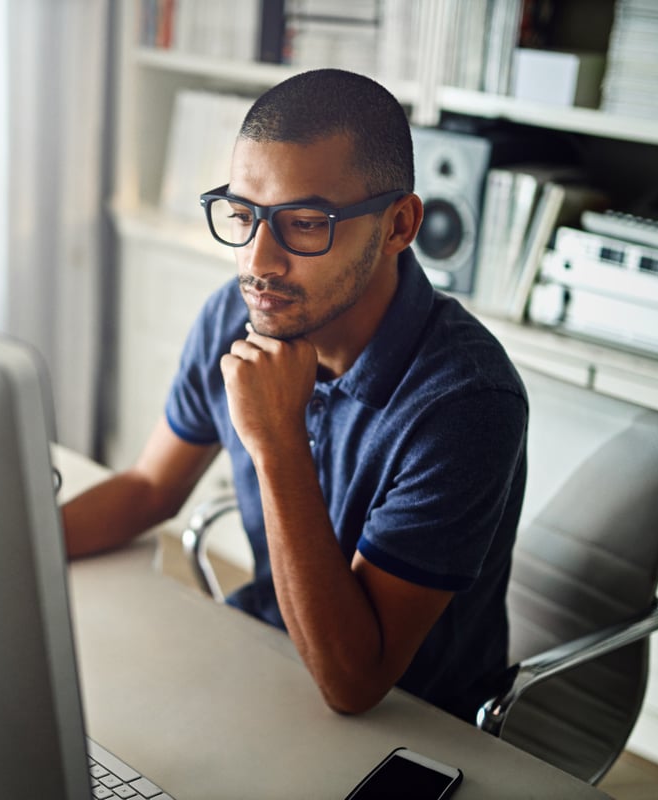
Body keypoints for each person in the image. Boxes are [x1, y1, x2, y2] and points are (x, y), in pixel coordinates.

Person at [62, 68, 528, 723]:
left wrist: (278, 439)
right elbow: (149, 488)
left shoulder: (466, 403)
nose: (258, 261)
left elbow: (354, 682)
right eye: (243, 216)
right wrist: (10, 550)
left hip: (410, 723)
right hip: (262, 658)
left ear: (399, 225)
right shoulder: (236, 314)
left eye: (305, 223)